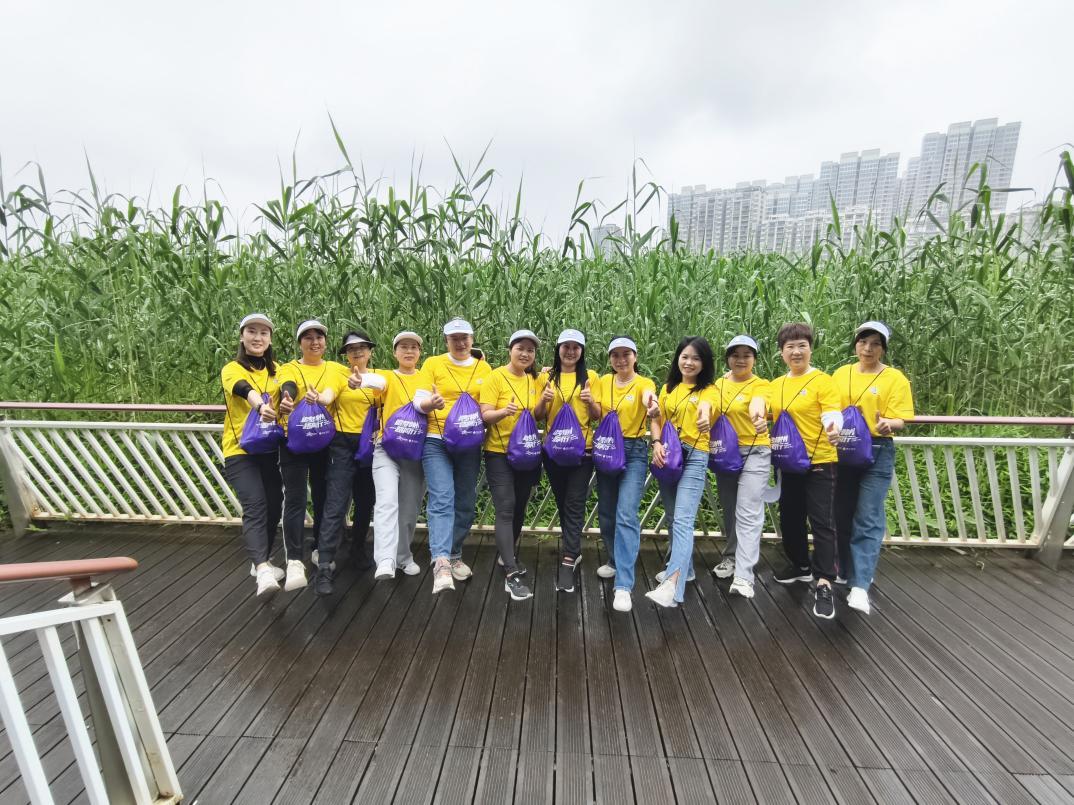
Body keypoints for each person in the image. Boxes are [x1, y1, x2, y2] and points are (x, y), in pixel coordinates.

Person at [833, 321, 914, 615]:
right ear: (855, 344)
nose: (868, 348)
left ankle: (860, 584)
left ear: (884, 348)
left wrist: (888, 423)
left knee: (867, 515)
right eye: (863, 341)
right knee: (841, 513)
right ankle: (845, 569)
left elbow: (901, 418)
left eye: (875, 343)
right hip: (843, 449)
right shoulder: (841, 374)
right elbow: (830, 409)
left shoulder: (894, 378)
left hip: (877, 450)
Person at [769, 322, 843, 619]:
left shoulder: (823, 381)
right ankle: (800, 565)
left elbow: (832, 412)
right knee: (790, 518)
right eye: (790, 346)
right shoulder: (776, 385)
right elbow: (763, 407)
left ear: (811, 349)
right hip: (789, 464)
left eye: (802, 345)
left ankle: (824, 581)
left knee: (822, 522)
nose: (796, 351)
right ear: (781, 352)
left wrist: (834, 428)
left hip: (819, 461)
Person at [357, 331, 442, 580]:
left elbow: (423, 403)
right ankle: (385, 559)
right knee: (386, 502)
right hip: (386, 448)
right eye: (403, 346)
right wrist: (360, 379)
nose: (409, 351)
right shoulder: (386, 376)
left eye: (414, 347)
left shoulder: (426, 378)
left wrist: (432, 404)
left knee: (409, 508)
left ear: (420, 352)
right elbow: (374, 381)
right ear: (394, 352)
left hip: (415, 451)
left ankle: (403, 557)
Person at [422, 318, 492, 594]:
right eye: (454, 338)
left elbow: (491, 400)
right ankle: (440, 561)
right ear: (446, 341)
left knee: (465, 501)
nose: (460, 343)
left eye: (465, 338)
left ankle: (453, 554)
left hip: (468, 444)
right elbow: (419, 399)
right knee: (442, 498)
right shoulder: (433, 364)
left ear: (472, 340)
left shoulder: (483, 367)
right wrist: (431, 403)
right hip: (436, 439)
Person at [646, 336, 717, 608]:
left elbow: (707, 408)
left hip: (695, 453)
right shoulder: (668, 388)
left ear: (704, 363)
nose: (689, 362)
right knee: (673, 516)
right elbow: (656, 419)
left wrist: (704, 417)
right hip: (668, 453)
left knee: (683, 520)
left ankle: (671, 586)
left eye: (696, 358)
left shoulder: (709, 390)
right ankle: (685, 570)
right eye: (685, 356)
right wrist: (656, 442)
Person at [313, 329, 383, 595]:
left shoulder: (380, 377)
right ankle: (324, 565)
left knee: (365, 501)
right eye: (352, 349)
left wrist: (363, 382)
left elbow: (388, 390)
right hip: (341, 443)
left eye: (362, 347)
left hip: (370, 444)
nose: (357, 352)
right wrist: (319, 398)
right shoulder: (338, 375)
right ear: (345, 354)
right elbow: (329, 394)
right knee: (336, 502)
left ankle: (357, 549)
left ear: (370, 351)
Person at [221, 313, 285, 597]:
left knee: (274, 503)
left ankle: (262, 559)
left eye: (263, 333)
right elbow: (244, 390)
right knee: (255, 504)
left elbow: (287, 390)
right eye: (252, 331)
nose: (257, 337)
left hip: (269, 448)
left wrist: (288, 401)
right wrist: (260, 406)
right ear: (242, 336)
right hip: (240, 450)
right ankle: (261, 569)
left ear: (270, 339)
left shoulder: (277, 370)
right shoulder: (231, 369)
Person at [594, 336, 658, 612]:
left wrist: (652, 405)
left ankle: (623, 585)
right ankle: (614, 559)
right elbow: (594, 411)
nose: (621, 360)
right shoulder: (603, 382)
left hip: (633, 451)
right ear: (610, 359)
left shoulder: (644, 383)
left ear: (635, 356)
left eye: (626, 354)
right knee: (606, 513)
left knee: (626, 514)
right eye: (615, 355)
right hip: (607, 448)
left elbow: (649, 399)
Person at [536, 329, 602, 593]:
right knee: (563, 501)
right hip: (553, 451)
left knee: (574, 502)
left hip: (582, 452)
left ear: (582, 351)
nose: (571, 351)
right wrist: (543, 400)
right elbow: (538, 415)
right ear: (558, 348)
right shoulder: (546, 376)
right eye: (566, 346)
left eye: (576, 347)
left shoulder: (591, 377)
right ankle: (573, 549)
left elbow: (596, 415)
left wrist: (591, 402)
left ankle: (569, 557)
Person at [277, 319, 341, 592]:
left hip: (324, 441)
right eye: (308, 337)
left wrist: (326, 397)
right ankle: (293, 559)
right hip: (294, 442)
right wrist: (288, 397)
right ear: (299, 342)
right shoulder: (289, 367)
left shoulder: (336, 369)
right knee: (296, 499)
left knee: (324, 496)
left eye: (319, 337)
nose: (315, 342)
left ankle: (319, 548)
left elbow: (339, 388)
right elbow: (288, 384)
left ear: (325, 341)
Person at [479, 329, 543, 601]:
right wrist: (503, 412)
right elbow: (485, 415)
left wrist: (544, 402)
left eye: (530, 350)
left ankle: (506, 557)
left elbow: (537, 415)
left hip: (527, 452)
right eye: (520, 348)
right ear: (510, 350)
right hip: (499, 452)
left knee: (519, 507)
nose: (525, 354)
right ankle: (511, 572)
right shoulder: (495, 377)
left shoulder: (534, 380)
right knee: (505, 507)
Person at [711, 335, 772, 599]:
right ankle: (731, 557)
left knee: (748, 510)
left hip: (755, 451)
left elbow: (759, 403)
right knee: (730, 509)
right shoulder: (718, 385)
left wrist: (758, 416)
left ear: (754, 359)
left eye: (747, 355)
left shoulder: (761, 385)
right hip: (726, 452)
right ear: (727, 359)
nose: (741, 360)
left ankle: (744, 576)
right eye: (735, 355)